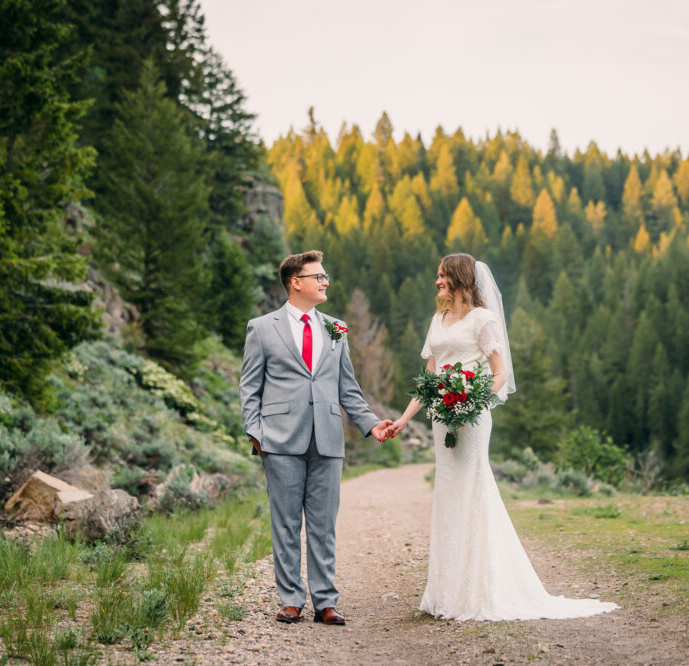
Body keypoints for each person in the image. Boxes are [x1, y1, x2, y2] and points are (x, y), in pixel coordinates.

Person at [387, 253, 619, 621]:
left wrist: (471, 400)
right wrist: (401, 420)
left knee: (472, 487)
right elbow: (429, 379)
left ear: (460, 278)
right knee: (448, 493)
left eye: (442, 276)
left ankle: (480, 589)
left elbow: (499, 373)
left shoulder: (483, 319)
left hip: (473, 415)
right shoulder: (437, 320)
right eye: (437, 276)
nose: (437, 282)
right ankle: (448, 592)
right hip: (440, 418)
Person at [240, 250, 393, 626]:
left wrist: (371, 424)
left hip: (327, 438)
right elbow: (250, 387)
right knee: (287, 524)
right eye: (318, 276)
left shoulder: (336, 327)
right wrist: (256, 433)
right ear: (296, 282)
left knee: (324, 525)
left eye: (325, 276)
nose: (325, 281)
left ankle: (326, 602)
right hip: (279, 440)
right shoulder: (261, 328)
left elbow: (347, 387)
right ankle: (291, 599)